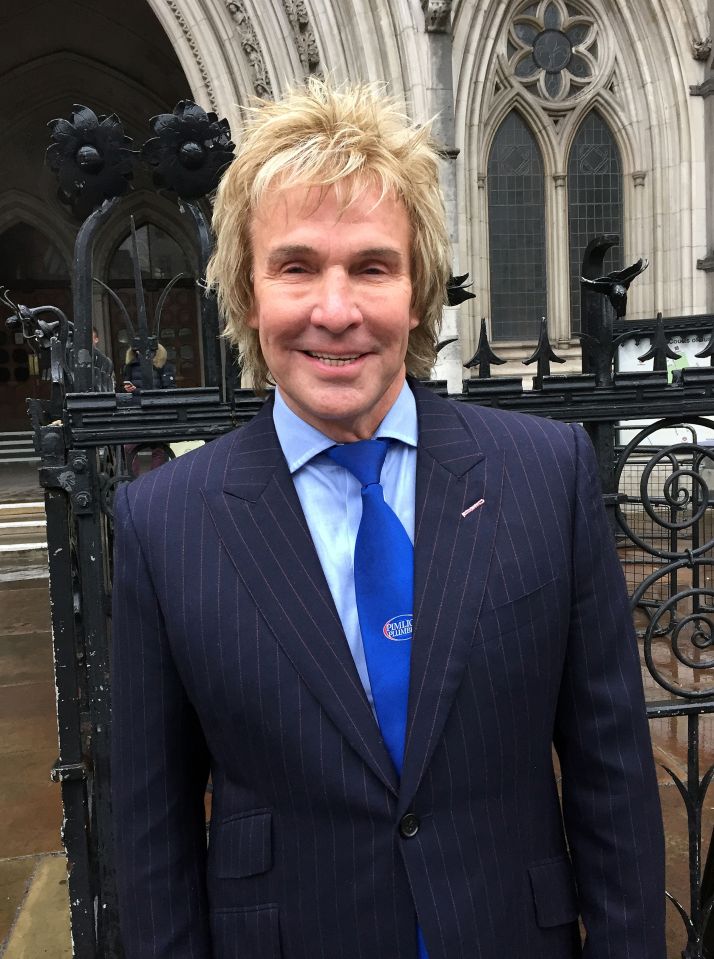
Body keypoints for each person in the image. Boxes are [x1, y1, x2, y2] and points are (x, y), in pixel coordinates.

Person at [111, 80, 665, 959]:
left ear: (418, 293)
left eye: (371, 265)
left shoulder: (544, 477)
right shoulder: (164, 524)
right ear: (249, 296)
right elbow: (150, 834)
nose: (337, 309)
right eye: (296, 266)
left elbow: (613, 775)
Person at [122, 342, 175, 474]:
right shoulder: (130, 366)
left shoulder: (162, 365)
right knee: (132, 447)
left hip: (155, 411)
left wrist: (136, 392)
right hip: (138, 411)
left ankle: (151, 479)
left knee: (157, 448)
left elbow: (169, 391)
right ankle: (138, 480)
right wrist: (129, 390)